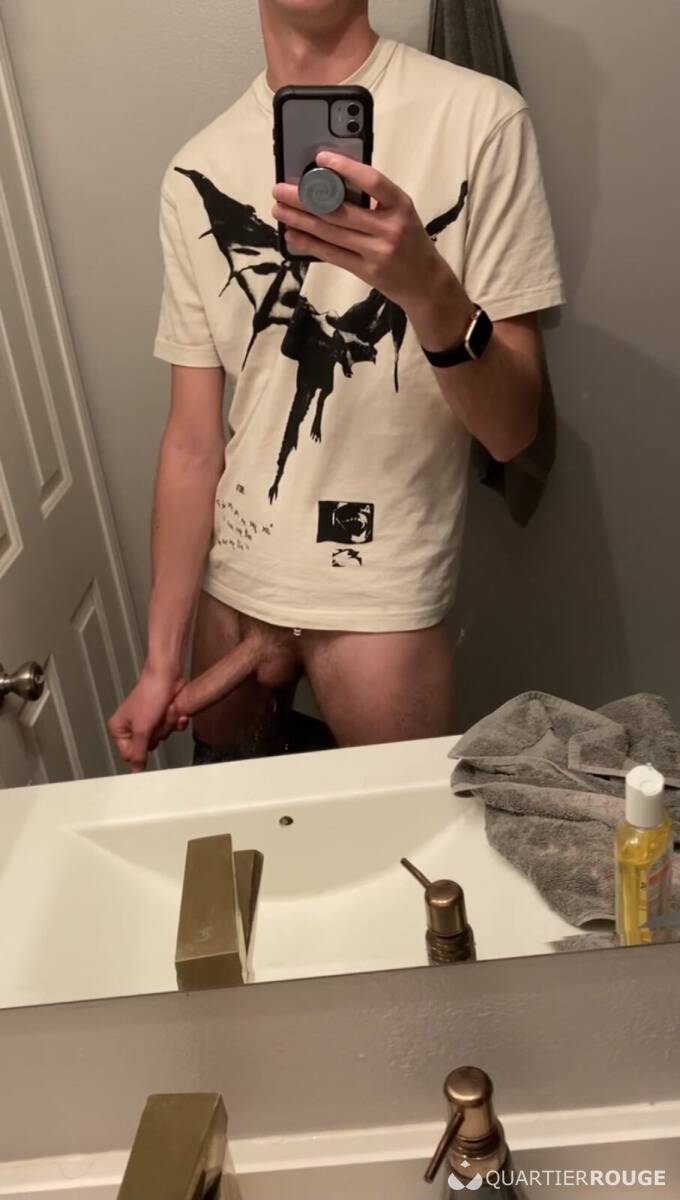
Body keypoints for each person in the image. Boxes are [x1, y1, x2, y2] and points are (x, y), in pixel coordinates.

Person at [109, 0, 564, 772]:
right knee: (233, 833)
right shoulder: (195, 171)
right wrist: (159, 663)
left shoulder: (480, 119)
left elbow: (514, 431)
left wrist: (426, 285)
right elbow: (191, 443)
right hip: (236, 578)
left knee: (394, 840)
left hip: (379, 596)